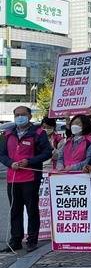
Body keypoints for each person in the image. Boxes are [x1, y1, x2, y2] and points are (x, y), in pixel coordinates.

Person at [0, 106, 52, 252]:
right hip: (13, 178)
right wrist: (10, 163)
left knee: (32, 210)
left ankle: (32, 240)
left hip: (30, 177)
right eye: (17, 115)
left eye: (23, 114)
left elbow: (47, 152)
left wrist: (30, 161)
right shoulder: (8, 134)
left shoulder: (38, 133)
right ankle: (15, 241)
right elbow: (2, 154)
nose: (20, 117)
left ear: (29, 116)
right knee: (14, 210)